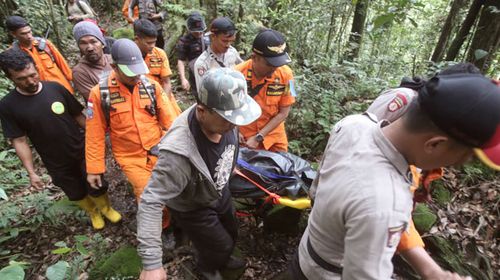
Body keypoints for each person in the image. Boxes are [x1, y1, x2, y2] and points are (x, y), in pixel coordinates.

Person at [291, 73, 500, 279]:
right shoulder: (386, 202)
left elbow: (316, 192)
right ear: (435, 143)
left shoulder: (353, 125)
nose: (458, 164)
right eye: (467, 157)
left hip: (305, 254)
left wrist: (432, 271)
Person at [137, 68, 262, 280]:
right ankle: (207, 266)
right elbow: (151, 201)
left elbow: (229, 144)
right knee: (217, 244)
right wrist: (151, 263)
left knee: (231, 230)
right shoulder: (178, 153)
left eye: (237, 117)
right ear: (202, 111)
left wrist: (230, 168)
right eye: (227, 119)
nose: (235, 124)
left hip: (217, 189)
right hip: (193, 205)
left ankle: (220, 256)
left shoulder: (227, 116)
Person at [363, 63, 481, 280]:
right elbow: (367, 137)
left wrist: (431, 270)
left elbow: (404, 197)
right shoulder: (404, 101)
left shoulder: (439, 134)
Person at [0, 48, 121, 230]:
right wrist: (32, 172)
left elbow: (79, 116)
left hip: (80, 149)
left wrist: (96, 140)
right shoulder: (8, 106)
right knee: (75, 191)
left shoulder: (55, 88)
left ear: (36, 68)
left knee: (96, 183)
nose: (30, 81)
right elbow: (19, 140)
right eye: (22, 79)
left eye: (33, 75)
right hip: (54, 160)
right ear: (11, 79)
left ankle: (106, 208)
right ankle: (93, 212)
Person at [235, 29, 296, 152]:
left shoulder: (288, 75)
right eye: (269, 64)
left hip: (274, 138)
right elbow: (228, 109)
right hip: (244, 139)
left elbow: (284, 113)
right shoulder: (236, 74)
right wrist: (234, 131)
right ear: (254, 57)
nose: (274, 68)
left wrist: (259, 137)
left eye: (277, 64)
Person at [5, 16, 73, 94]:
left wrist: (72, 80)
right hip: (40, 92)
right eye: (24, 33)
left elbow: (62, 64)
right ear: (13, 34)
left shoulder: (45, 44)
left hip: (62, 87)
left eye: (29, 32)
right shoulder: (13, 53)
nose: (29, 36)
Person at [133, 19, 181, 114]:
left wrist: (163, 104)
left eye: (154, 42)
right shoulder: (128, 55)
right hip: (138, 99)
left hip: (162, 96)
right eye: (149, 43)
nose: (152, 46)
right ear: (137, 39)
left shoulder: (159, 54)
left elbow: (167, 83)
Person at [193, 17, 242, 91]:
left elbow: (243, 70)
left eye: (231, 41)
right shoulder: (202, 64)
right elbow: (202, 93)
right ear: (213, 36)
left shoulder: (232, 52)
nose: (228, 45)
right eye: (225, 41)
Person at [72, 21, 112, 101]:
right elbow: (98, 100)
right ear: (79, 47)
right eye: (83, 43)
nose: (90, 48)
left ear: (102, 43)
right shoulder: (80, 72)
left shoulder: (113, 59)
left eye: (93, 42)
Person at [175, 11, 208, 95]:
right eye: (196, 31)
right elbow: (181, 61)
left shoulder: (208, 38)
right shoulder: (184, 41)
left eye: (200, 31)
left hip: (210, 70)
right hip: (195, 74)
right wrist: (183, 79)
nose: (199, 33)